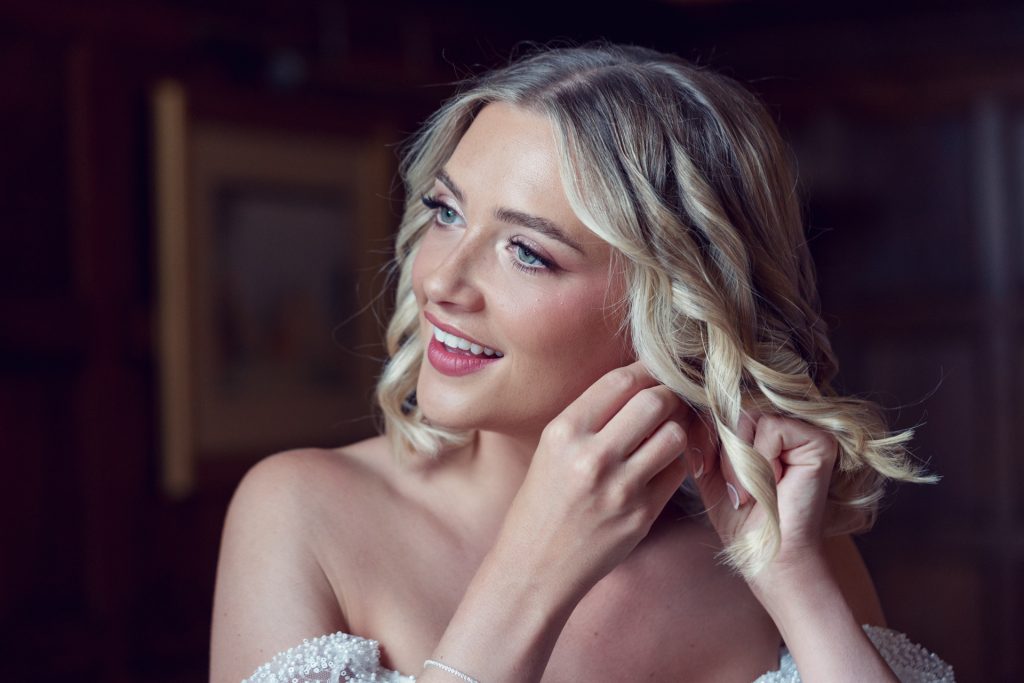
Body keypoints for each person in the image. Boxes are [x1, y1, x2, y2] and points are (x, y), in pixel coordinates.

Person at [210, 44, 954, 682]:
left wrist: (796, 586)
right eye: (447, 212)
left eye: (527, 252)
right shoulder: (302, 512)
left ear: (674, 309)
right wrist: (527, 577)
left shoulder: (781, 544)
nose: (438, 280)